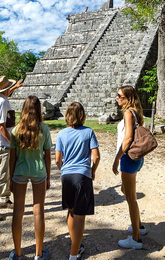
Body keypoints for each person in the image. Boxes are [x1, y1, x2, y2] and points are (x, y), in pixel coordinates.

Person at [55, 102, 100, 260]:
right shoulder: (88, 132)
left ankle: (75, 243)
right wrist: (92, 171)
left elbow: (57, 160)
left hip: (67, 175)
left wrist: (63, 170)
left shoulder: (61, 134)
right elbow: (96, 156)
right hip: (82, 175)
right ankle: (73, 254)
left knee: (71, 210)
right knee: (80, 215)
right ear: (82, 115)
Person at [9, 96, 52, 260]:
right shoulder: (44, 130)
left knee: (18, 211)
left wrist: (9, 178)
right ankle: (38, 253)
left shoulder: (16, 130)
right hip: (39, 171)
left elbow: (12, 158)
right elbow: (47, 156)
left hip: (19, 171)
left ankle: (18, 252)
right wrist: (48, 176)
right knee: (38, 211)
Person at [112, 85, 147, 249]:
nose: (117, 98)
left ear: (128, 98)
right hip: (136, 158)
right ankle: (138, 225)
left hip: (128, 158)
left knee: (131, 198)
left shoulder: (128, 113)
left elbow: (127, 140)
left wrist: (116, 159)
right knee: (126, 191)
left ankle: (136, 238)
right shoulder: (135, 112)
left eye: (120, 96)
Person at [0, 75, 23, 221]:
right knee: (2, 175)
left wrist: (14, 88)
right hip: (2, 143)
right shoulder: (1, 102)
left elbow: (5, 93)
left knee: (7, 172)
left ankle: (4, 198)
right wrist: (11, 141)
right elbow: (1, 126)